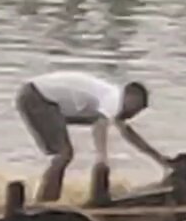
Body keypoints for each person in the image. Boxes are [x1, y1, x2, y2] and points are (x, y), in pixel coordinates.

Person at [16, 71, 168, 202]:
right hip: (38, 97)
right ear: (132, 98)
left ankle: (46, 197)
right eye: (137, 110)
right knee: (64, 154)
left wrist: (161, 160)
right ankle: (44, 203)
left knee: (62, 154)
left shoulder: (110, 99)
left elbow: (129, 135)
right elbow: (100, 125)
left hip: (36, 95)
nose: (133, 115)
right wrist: (102, 157)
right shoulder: (114, 98)